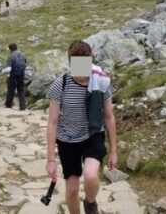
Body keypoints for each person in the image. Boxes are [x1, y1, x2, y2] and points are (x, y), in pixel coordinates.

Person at [45, 40, 117, 214]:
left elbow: (108, 116)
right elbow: (53, 121)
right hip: (67, 139)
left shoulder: (101, 82)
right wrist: (50, 159)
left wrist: (114, 150)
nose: (82, 73)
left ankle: (90, 202)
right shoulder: (60, 84)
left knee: (91, 175)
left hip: (93, 134)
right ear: (70, 64)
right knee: (72, 188)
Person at [5, 43, 27, 110]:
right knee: (21, 90)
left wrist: (7, 76)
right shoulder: (22, 55)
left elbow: (9, 69)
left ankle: (8, 105)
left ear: (10, 49)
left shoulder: (10, 56)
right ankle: (22, 106)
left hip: (13, 75)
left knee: (11, 90)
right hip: (21, 75)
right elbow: (25, 63)